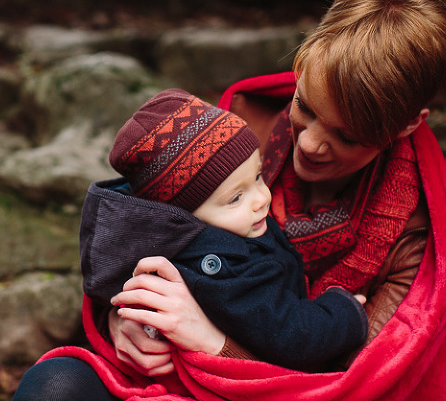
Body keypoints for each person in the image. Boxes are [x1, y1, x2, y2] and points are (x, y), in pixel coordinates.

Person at [13, 0, 446, 400]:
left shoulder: (422, 233)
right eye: (306, 108)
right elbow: (144, 230)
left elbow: (356, 375)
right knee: (54, 387)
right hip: (177, 377)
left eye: (346, 136)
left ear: (405, 125)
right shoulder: (232, 134)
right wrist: (127, 319)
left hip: (299, 390)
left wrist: (214, 344)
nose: (312, 144)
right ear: (301, 73)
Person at [81, 88, 367, 372]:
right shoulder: (225, 270)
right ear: (185, 217)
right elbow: (293, 335)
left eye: (258, 176)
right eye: (235, 198)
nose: (261, 198)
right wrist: (344, 311)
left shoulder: (232, 229)